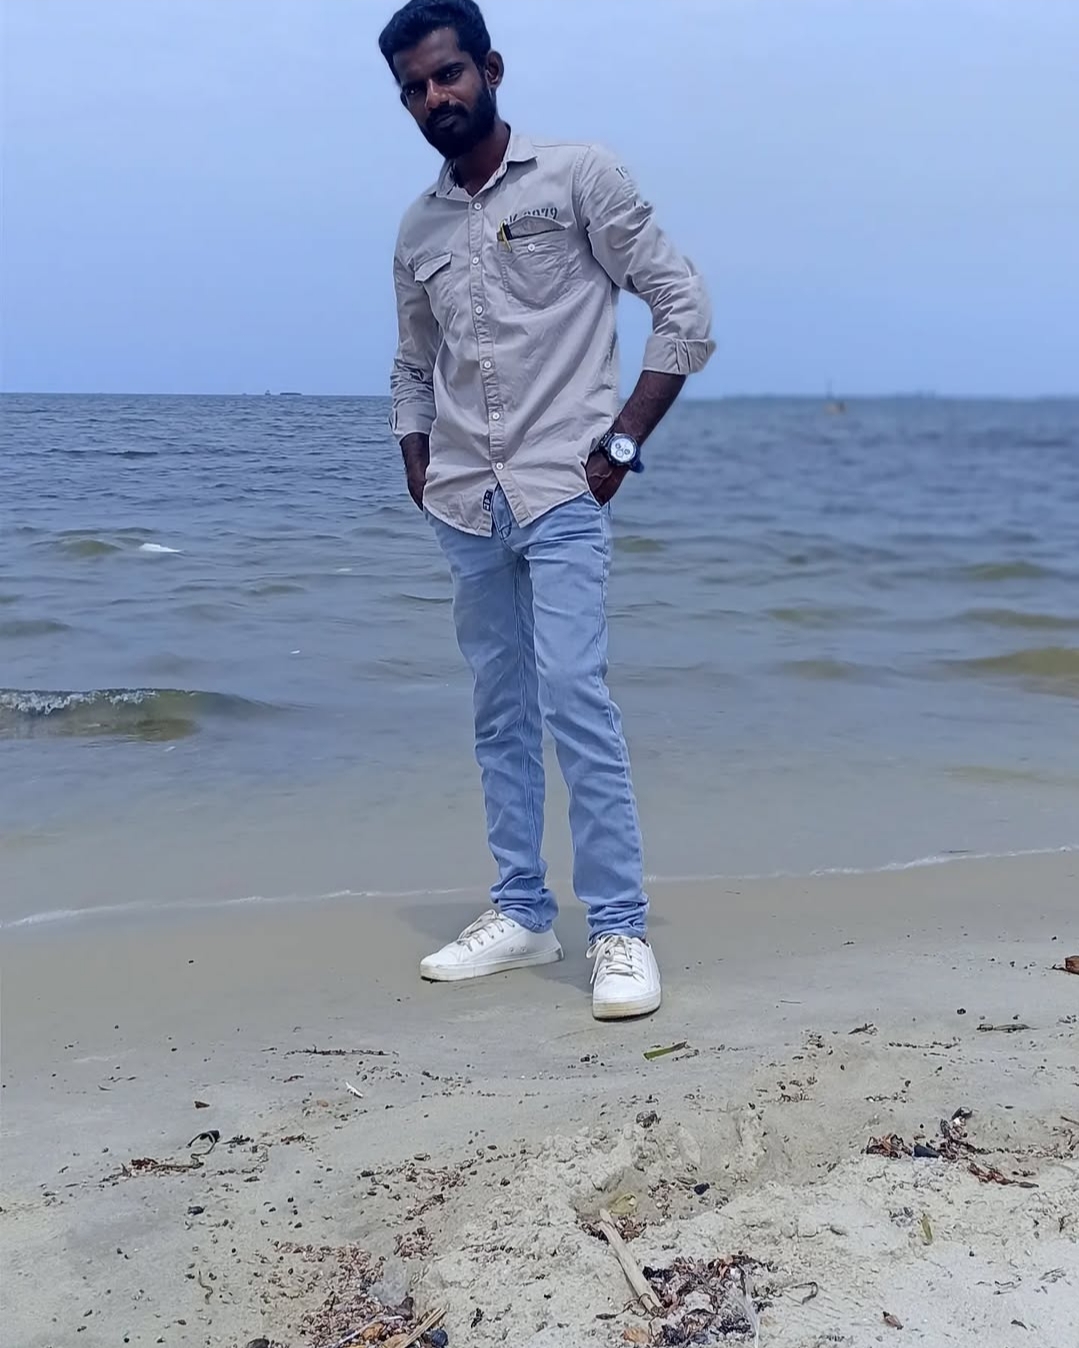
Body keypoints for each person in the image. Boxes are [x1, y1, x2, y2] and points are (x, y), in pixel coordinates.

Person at [380, 0, 714, 1019]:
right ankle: (522, 912)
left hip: (563, 486)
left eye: (446, 74)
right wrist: (415, 456)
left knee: (574, 696)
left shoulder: (578, 177)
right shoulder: (418, 228)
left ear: (489, 68)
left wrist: (622, 443)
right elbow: (412, 363)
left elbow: (683, 308)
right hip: (463, 502)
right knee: (498, 711)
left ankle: (617, 926)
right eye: (412, 88)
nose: (433, 97)